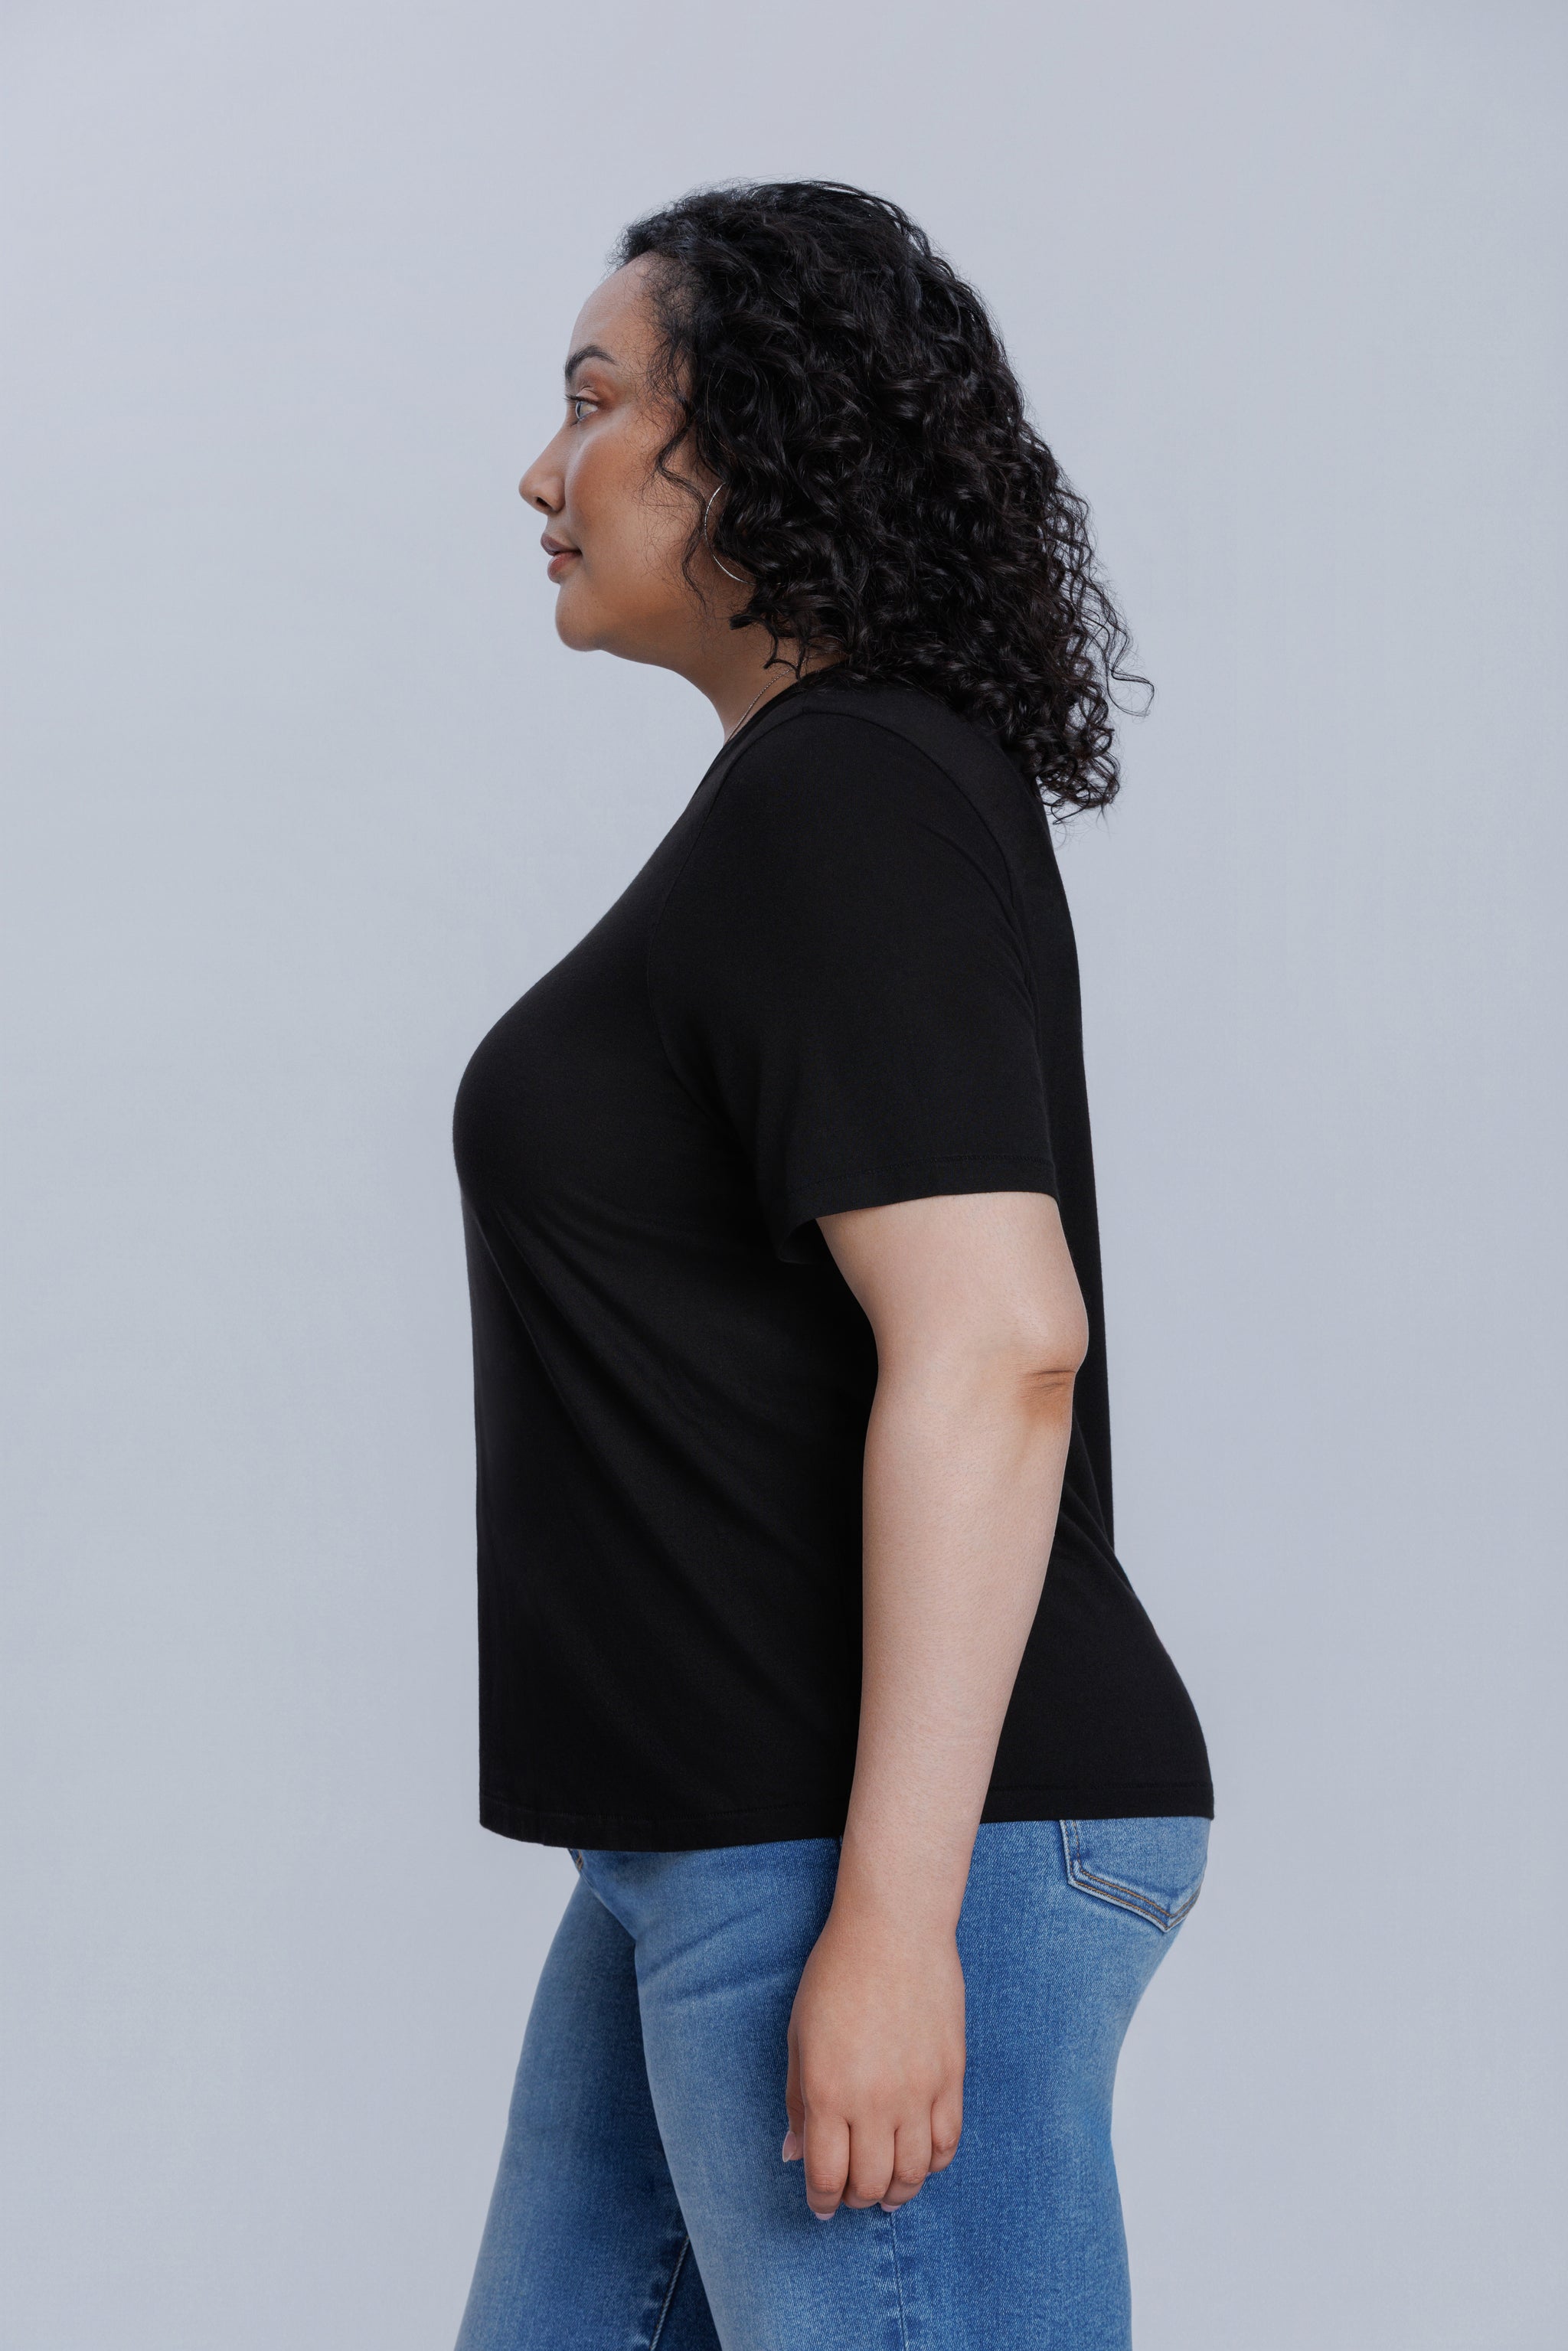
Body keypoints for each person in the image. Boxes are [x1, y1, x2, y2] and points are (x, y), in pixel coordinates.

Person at [450, 181, 1212, 2351]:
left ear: (761, 444)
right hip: (718, 1842)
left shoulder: (847, 798)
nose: (543, 467)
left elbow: (998, 1344)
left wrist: (893, 1924)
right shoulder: (828, 801)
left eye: (596, 403)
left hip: (871, 1847)